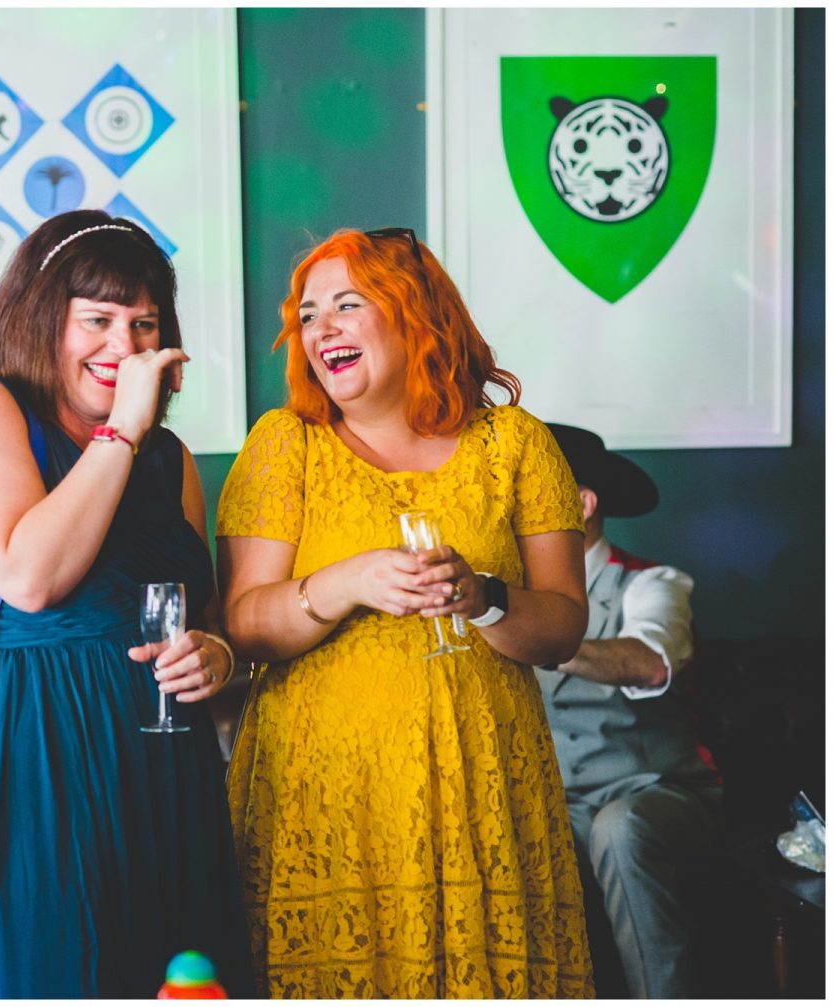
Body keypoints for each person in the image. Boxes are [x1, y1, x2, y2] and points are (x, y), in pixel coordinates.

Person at [215, 227, 594, 997]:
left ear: (414, 311)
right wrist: (345, 581)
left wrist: (484, 596)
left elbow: (563, 628)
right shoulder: (286, 445)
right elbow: (245, 625)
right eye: (309, 313)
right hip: (325, 795)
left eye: (347, 305)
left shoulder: (515, 444)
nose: (322, 329)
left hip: (483, 783)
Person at [0, 208, 252, 997]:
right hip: (39, 760)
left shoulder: (168, 459)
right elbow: (31, 577)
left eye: (144, 325)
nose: (124, 346)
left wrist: (219, 656)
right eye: (98, 320)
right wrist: (121, 433)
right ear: (40, 319)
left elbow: (204, 625)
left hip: (167, 769)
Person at [538, 423, 722, 1000]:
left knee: (619, 830)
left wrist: (537, 640)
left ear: (583, 503)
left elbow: (649, 663)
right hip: (558, 804)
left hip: (657, 793)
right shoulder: (515, 597)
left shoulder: (653, 583)